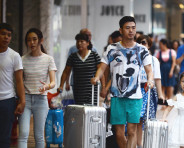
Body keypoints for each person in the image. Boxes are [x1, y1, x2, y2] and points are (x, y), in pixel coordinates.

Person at [91, 16, 154, 148]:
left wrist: (150, 80)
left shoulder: (142, 50)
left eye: (133, 28)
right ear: (121, 30)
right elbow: (102, 67)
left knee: (131, 131)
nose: (131, 31)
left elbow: (149, 70)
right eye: (127, 28)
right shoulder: (111, 48)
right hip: (117, 97)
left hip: (135, 97)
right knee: (118, 133)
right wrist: (97, 77)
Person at [18, 28, 57, 148]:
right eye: (29, 40)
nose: (32, 43)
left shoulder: (48, 59)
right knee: (23, 133)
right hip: (26, 99)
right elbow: (19, 81)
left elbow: (53, 82)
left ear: (41, 40)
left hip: (41, 100)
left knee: (39, 135)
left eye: (34, 39)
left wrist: (47, 86)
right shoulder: (22, 59)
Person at [58, 33, 104, 105]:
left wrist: (103, 87)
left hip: (91, 90)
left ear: (88, 43)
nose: (79, 43)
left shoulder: (94, 55)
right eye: (77, 42)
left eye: (82, 41)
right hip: (78, 90)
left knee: (91, 111)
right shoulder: (72, 57)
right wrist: (61, 85)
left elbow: (101, 70)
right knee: (80, 110)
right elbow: (66, 72)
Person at [0, 23, 25, 148]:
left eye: (9, 35)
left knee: (4, 138)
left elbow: (19, 80)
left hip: (7, 101)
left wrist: (22, 101)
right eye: (3, 34)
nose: (6, 37)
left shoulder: (14, 56)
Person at [136, 35, 164, 148]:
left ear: (149, 45)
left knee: (146, 118)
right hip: (136, 90)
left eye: (144, 43)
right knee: (136, 118)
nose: (142, 45)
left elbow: (157, 78)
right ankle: (137, 142)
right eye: (140, 43)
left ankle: (143, 142)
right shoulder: (134, 58)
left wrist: (161, 95)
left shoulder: (153, 60)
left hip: (148, 90)